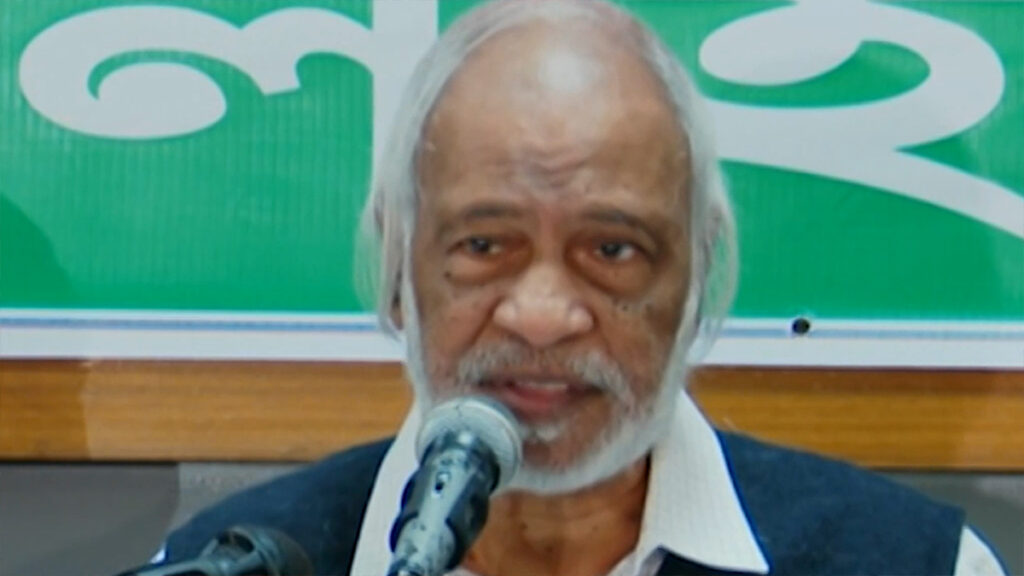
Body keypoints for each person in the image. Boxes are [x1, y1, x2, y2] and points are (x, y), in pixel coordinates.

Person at [154, 1, 1006, 575]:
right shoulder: (241, 562)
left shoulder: (916, 564)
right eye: (484, 245)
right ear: (396, 270)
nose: (542, 315)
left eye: (612, 249)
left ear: (701, 276)